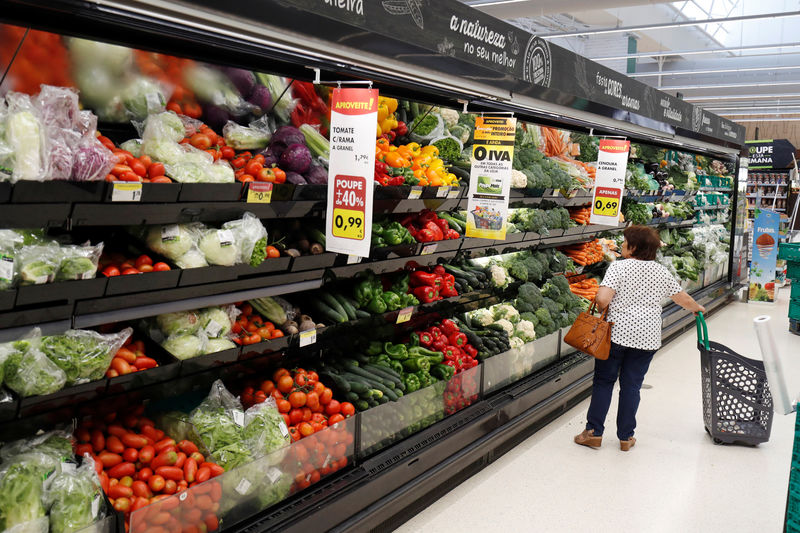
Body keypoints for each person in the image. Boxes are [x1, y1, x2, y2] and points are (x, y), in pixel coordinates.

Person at [574, 225, 705, 451]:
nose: (622, 246)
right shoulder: (661, 272)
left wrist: (602, 296)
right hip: (647, 337)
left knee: (604, 382)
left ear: (634, 247)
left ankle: (593, 433)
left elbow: (603, 300)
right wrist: (697, 308)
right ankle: (626, 437)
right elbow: (681, 297)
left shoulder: (619, 268)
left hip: (615, 335)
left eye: (625, 243)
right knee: (631, 386)